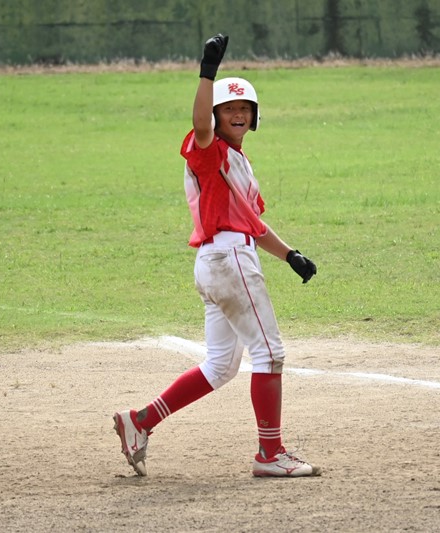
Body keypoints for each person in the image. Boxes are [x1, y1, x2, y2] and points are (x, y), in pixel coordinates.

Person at [112, 33, 319, 478]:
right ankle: (270, 454)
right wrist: (207, 72)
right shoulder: (210, 151)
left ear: (255, 117)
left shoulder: (241, 163)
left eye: (244, 109)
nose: (238, 114)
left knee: (221, 364)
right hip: (229, 261)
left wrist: (291, 256)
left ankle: (141, 420)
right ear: (217, 115)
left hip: (220, 262)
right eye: (229, 109)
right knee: (269, 353)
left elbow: (255, 225)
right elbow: (200, 124)